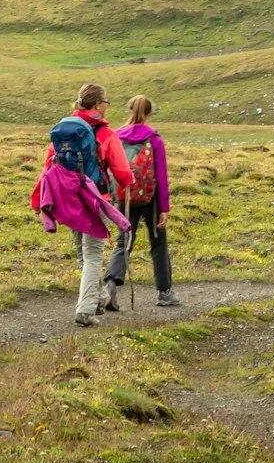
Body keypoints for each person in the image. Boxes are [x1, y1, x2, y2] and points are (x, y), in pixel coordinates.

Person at [31, 83, 135, 325]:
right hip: (96, 199)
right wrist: (128, 182)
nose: (107, 106)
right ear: (97, 105)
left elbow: (48, 167)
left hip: (68, 200)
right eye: (106, 102)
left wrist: (38, 198)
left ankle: (98, 297)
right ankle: (85, 310)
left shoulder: (63, 131)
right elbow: (121, 172)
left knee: (82, 253)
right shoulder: (106, 134)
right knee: (93, 254)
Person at [107, 95, 177, 308]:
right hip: (151, 198)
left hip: (124, 196)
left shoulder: (116, 136)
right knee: (158, 242)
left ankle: (110, 285)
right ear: (149, 113)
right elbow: (162, 177)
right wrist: (164, 208)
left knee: (123, 241)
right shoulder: (155, 140)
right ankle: (164, 292)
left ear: (129, 110)